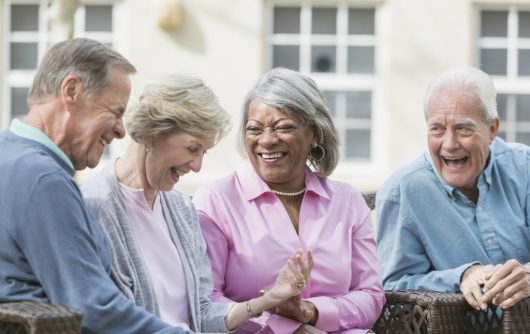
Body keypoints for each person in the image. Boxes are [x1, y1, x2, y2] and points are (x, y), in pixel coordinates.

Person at [81, 75, 315, 333]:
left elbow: (203, 313)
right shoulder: (95, 208)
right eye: (192, 148)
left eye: (204, 153)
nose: (197, 166)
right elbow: (119, 321)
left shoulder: (181, 207)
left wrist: (267, 300)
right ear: (151, 134)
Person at [0, 38, 200, 333]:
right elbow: (92, 308)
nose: (121, 130)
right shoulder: (45, 181)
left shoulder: (9, 155)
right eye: (116, 111)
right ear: (71, 91)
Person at [193, 67, 385, 334]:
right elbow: (207, 303)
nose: (267, 140)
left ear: (314, 133)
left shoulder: (347, 202)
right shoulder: (216, 200)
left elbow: (371, 295)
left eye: (283, 127)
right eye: (254, 129)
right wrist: (289, 330)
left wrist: (311, 312)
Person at [376, 67, 530, 311]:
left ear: (492, 130)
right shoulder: (402, 192)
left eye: (463, 128)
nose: (449, 143)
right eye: (437, 128)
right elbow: (392, 288)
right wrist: (460, 276)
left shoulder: (524, 168)